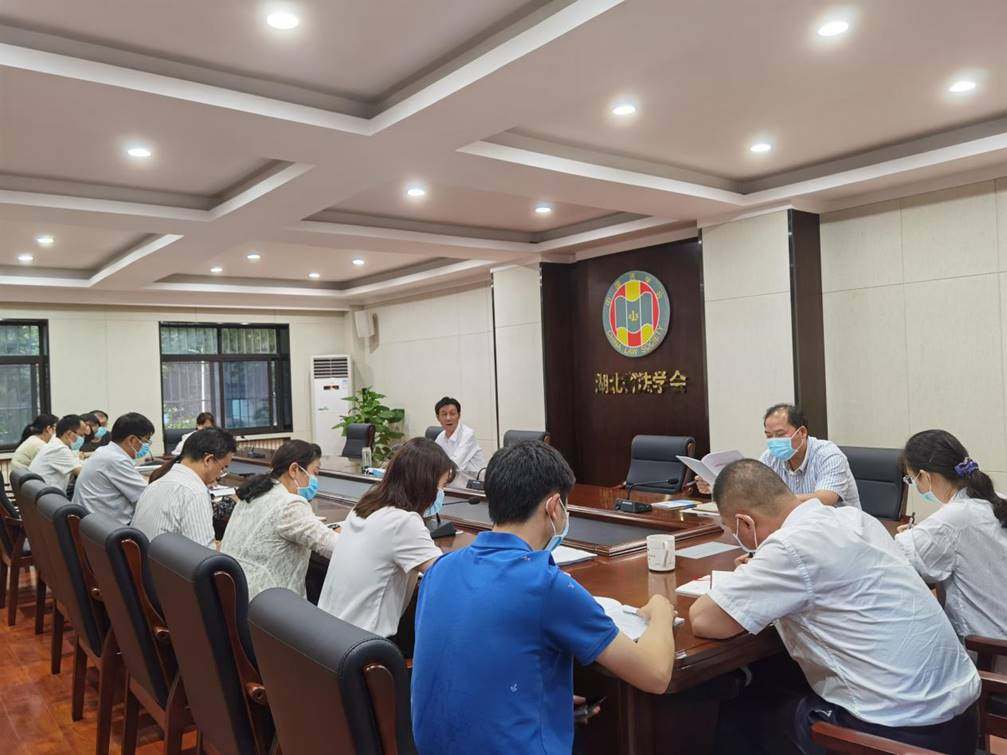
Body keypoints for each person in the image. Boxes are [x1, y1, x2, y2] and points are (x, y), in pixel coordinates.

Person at [689, 459, 980, 755]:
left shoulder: (790, 546)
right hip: (961, 721)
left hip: (896, 733)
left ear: (745, 523)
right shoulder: (855, 518)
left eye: (733, 529)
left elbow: (705, 619)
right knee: (779, 677)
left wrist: (749, 575)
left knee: (738, 713)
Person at [411, 441, 677, 754]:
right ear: (553, 506)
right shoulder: (544, 585)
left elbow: (466, 659)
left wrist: (543, 699)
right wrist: (661, 612)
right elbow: (655, 675)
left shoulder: (440, 569)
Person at [317, 438, 454, 637]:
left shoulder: (365, 506)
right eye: (441, 486)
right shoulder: (403, 522)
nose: (441, 493)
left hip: (329, 630)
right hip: (362, 639)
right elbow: (446, 573)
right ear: (425, 484)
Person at [895, 430, 1007, 654]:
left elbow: (895, 560)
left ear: (925, 476)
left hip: (987, 651)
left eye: (912, 479)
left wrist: (914, 534)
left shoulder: (950, 521)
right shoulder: (998, 500)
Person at [220, 439, 338, 600]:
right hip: (268, 603)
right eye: (313, 473)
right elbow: (334, 547)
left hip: (235, 594)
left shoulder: (253, 493)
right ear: (294, 469)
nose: (313, 479)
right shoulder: (290, 504)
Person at [695, 404, 860, 509]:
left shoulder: (828, 454)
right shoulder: (770, 457)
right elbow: (753, 491)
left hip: (839, 532)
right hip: (796, 530)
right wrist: (718, 485)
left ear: (802, 432)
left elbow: (825, 499)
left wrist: (773, 498)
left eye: (780, 434)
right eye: (769, 435)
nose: (774, 441)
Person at [131, 428, 236, 548]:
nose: (220, 475)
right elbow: (202, 552)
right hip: (167, 559)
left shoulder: (156, 483)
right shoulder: (195, 492)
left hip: (148, 557)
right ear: (208, 460)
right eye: (223, 468)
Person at [73, 413, 154, 525]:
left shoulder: (104, 451)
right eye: (146, 441)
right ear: (132, 439)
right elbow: (147, 496)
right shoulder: (116, 460)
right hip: (109, 528)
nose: (146, 445)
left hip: (93, 525)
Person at [28, 414, 85, 491]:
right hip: (48, 495)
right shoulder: (59, 449)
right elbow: (82, 473)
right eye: (81, 435)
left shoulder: (54, 443)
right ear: (69, 433)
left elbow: (74, 462)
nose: (82, 438)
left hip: (41, 492)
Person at [432, 396, 486, 475]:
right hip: (452, 478)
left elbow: (455, 465)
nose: (448, 418)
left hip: (474, 479)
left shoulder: (468, 435)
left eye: (452, 414)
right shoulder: (440, 437)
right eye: (444, 414)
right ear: (438, 418)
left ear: (459, 415)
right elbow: (434, 462)